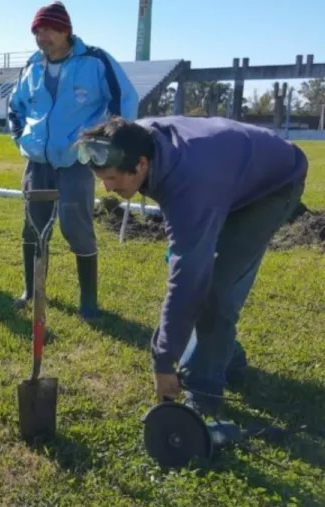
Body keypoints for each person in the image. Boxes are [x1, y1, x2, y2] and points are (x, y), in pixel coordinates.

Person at [76, 115, 308, 415]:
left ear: (141, 165)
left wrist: (163, 362)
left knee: (214, 289)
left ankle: (203, 394)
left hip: (275, 184)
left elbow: (188, 281)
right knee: (199, 273)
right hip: (227, 174)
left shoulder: (189, 182)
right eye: (102, 179)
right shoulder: (137, 142)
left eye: (112, 178)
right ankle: (225, 357)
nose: (107, 188)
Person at [7, 1, 138, 322]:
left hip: (76, 161)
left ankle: (88, 303)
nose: (42, 37)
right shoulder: (31, 67)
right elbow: (15, 106)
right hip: (38, 162)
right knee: (33, 226)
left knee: (76, 227)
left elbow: (124, 100)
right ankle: (31, 290)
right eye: (37, 31)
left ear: (66, 30)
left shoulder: (95, 61)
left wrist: (106, 143)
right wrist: (21, 138)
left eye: (49, 29)